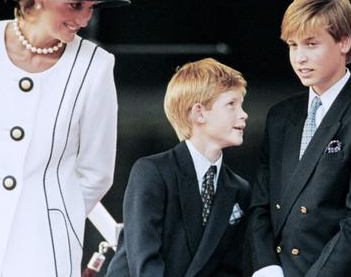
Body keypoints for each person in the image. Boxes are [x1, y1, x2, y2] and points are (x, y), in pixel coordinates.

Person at [0, 0, 130, 276]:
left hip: (45, 243)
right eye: (75, 4)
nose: (85, 17)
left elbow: (97, 170)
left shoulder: (95, 66)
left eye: (91, 6)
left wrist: (56, 213)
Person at [248, 0, 351, 277]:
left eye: (310, 44)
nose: (299, 58)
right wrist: (266, 266)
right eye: (292, 45)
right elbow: (261, 204)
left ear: (344, 41)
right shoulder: (280, 116)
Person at [105, 58, 251, 277]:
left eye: (241, 105)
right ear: (199, 113)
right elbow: (144, 263)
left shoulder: (239, 189)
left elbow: (230, 268)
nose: (243, 114)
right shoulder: (152, 173)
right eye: (231, 104)